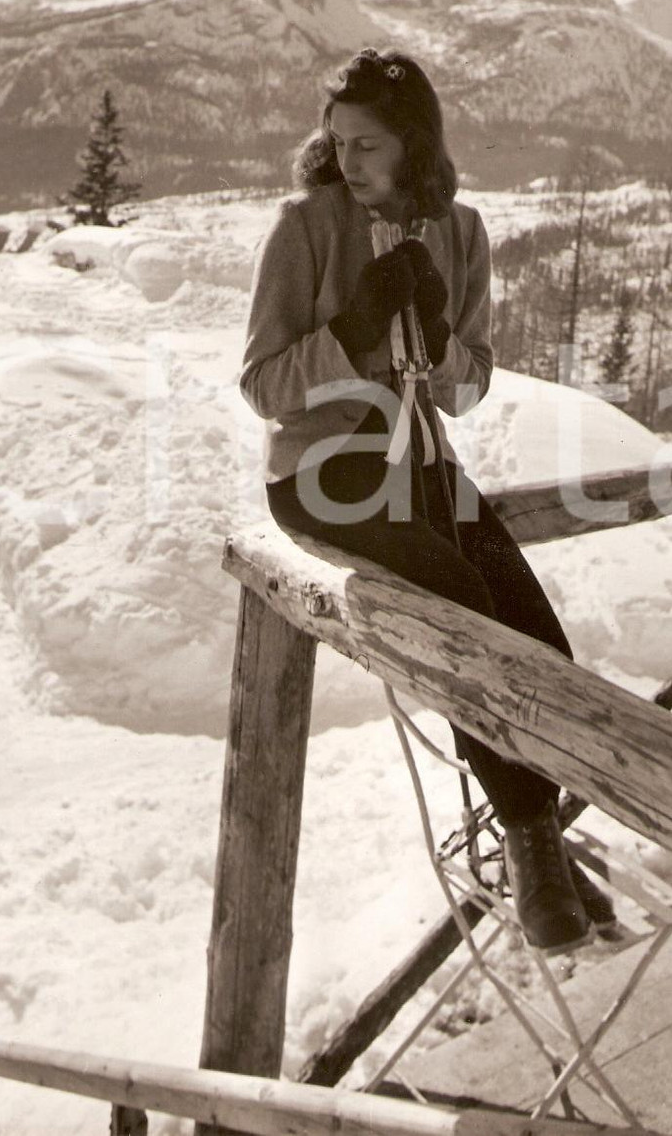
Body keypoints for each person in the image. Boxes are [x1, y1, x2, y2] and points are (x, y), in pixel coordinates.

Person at [239, 47, 604, 952]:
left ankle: (542, 828)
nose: (347, 162)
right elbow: (259, 385)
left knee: (539, 638)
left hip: (422, 466)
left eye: (367, 146)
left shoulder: (462, 231)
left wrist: (438, 342)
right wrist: (352, 333)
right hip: (323, 477)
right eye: (337, 144)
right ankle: (532, 841)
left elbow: (469, 385)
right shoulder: (304, 227)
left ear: (414, 143)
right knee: (467, 612)